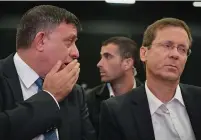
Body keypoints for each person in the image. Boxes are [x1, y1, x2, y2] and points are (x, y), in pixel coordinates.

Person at [0, 5, 96, 140]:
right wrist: (49, 97)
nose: (76, 53)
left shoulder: (74, 91)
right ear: (41, 41)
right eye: (69, 42)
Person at [99, 18, 201, 140]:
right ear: (144, 53)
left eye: (182, 49)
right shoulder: (116, 110)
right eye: (167, 46)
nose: (175, 54)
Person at [86, 36, 141, 136]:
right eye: (101, 57)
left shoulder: (148, 96)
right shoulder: (89, 99)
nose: (99, 64)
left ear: (127, 63)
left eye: (107, 56)